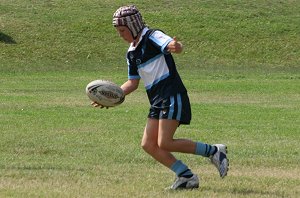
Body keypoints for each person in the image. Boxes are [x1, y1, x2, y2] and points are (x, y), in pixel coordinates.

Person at [93, 5, 229, 190]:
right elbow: (132, 83)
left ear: (133, 26)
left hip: (171, 94)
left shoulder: (152, 36)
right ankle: (186, 176)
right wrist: (111, 96)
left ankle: (214, 151)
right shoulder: (132, 53)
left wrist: (175, 46)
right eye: (118, 31)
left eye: (123, 30)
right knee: (148, 144)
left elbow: (169, 44)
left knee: (164, 142)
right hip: (157, 100)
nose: (121, 35)